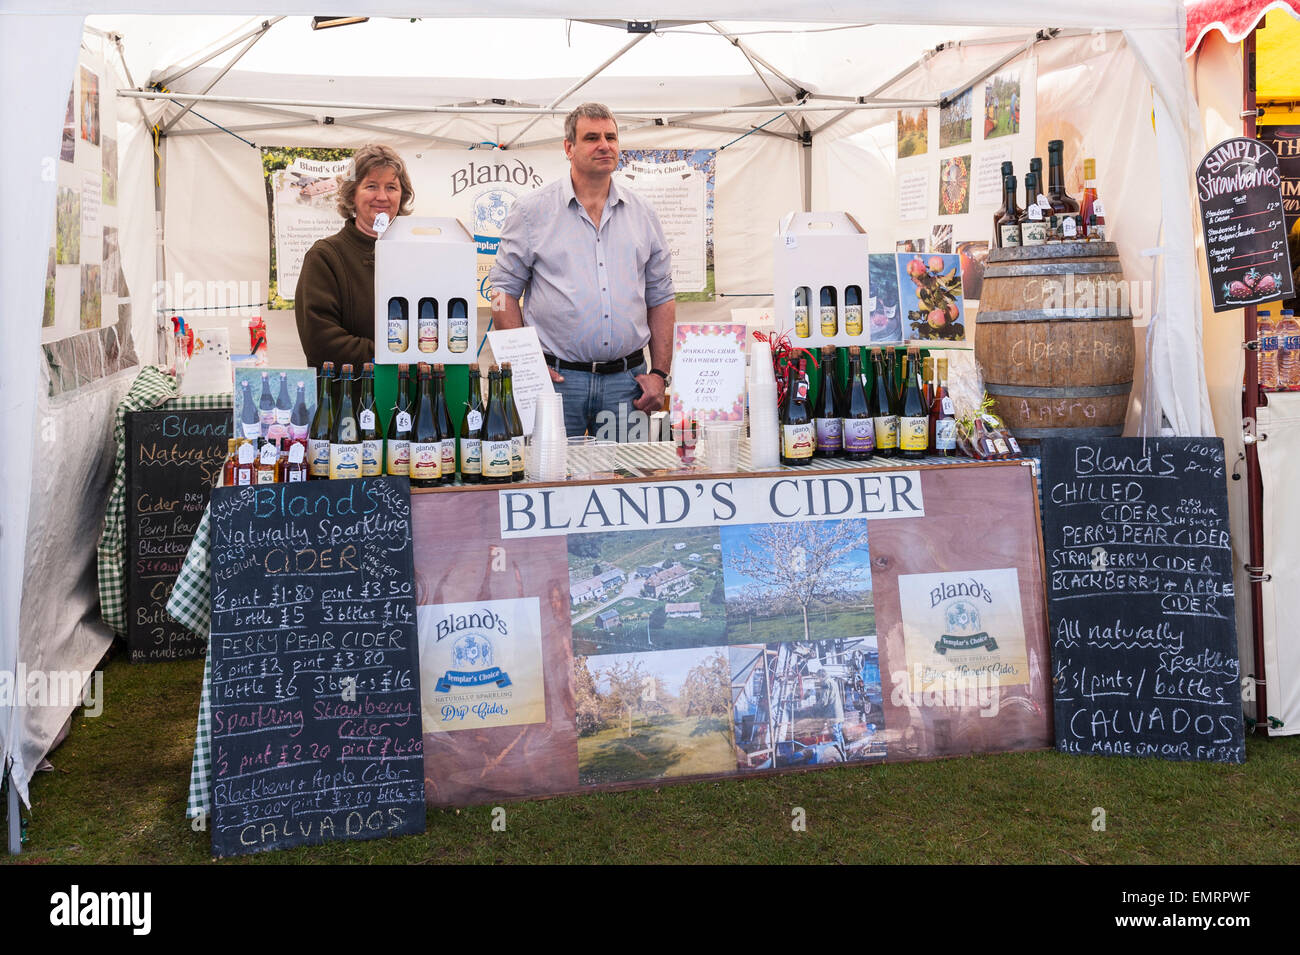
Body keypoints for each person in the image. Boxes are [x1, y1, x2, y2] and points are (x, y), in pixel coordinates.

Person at [489, 102, 675, 439]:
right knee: (548, 480)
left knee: (627, 481)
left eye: (611, 137)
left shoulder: (644, 214)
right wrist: (527, 365)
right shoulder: (532, 212)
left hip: (628, 384)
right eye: (592, 137)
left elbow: (661, 296)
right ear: (568, 148)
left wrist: (660, 372)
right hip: (556, 384)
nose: (605, 145)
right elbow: (502, 292)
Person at [295, 143, 415, 369]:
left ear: (402, 195)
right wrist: (395, 355)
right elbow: (320, 342)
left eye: (391, 187)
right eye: (371, 186)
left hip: (409, 398)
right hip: (350, 397)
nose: (382, 197)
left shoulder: (416, 255)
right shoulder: (324, 257)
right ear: (352, 193)